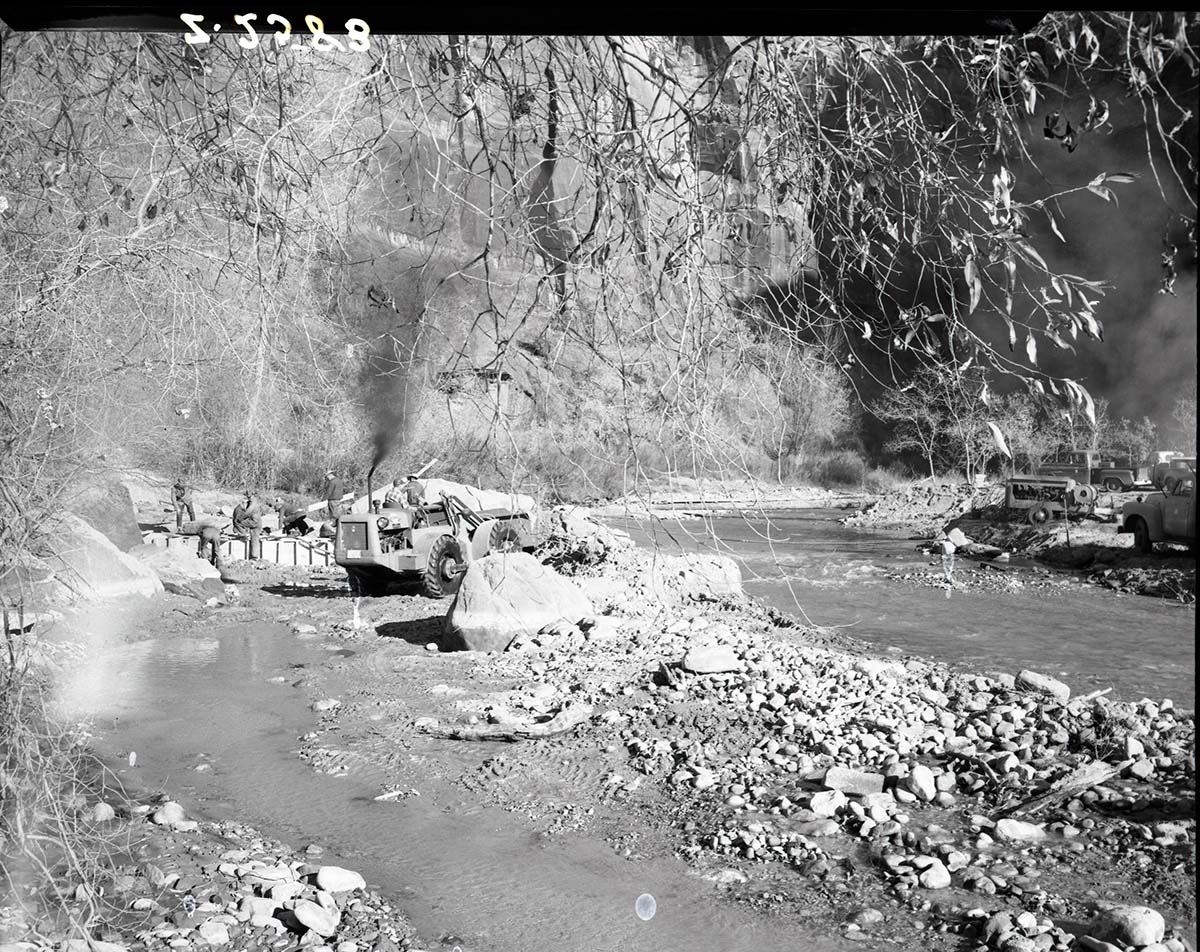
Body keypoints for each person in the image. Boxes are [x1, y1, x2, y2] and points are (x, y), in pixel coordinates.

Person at [232, 490, 263, 560]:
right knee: (254, 538)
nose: (248, 498)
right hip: (257, 521)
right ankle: (254, 556)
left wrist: (240, 518)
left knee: (237, 521)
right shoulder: (254, 501)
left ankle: (243, 535)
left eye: (249, 496)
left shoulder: (253, 503)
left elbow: (248, 512)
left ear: (252, 495)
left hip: (254, 521)